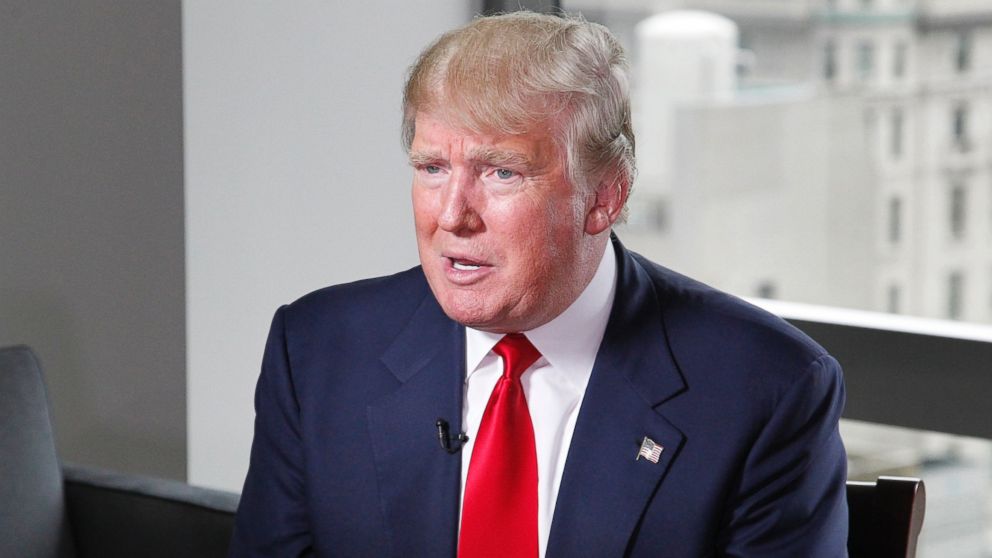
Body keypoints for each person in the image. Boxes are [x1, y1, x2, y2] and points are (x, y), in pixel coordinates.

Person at [229, 11, 848, 558]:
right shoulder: (315, 349)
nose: (452, 215)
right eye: (432, 168)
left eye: (501, 172)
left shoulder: (768, 389)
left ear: (604, 197)